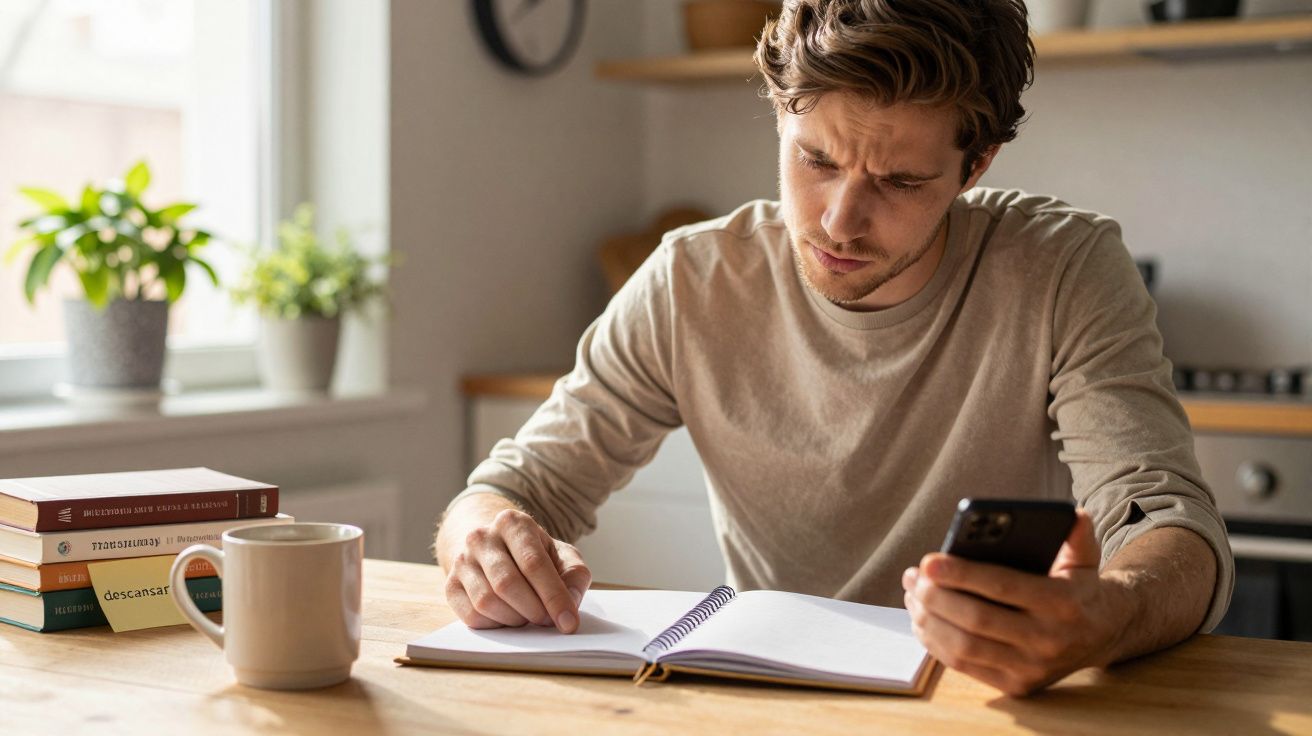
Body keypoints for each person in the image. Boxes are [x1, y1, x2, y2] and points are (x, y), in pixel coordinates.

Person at [434, 0, 1233, 696]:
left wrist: (1111, 612)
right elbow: (520, 486)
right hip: (770, 700)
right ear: (780, 113)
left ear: (975, 165)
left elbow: (1167, 521)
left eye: (901, 182)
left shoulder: (1064, 269)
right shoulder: (692, 280)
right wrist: (482, 535)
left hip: (989, 698)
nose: (841, 220)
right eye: (815, 160)